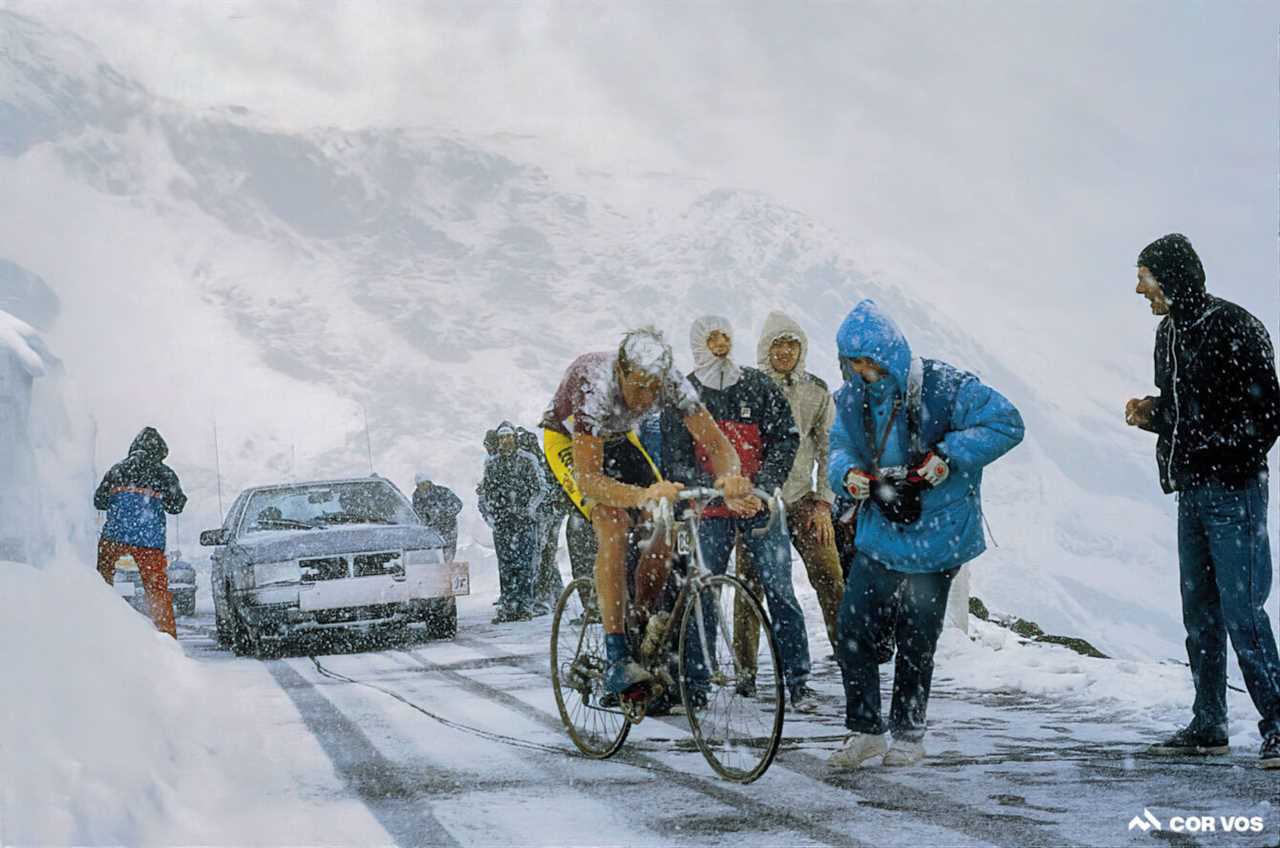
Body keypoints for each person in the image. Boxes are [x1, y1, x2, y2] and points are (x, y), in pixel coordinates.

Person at [827, 300, 1023, 768]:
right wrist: (849, 475)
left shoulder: (944, 386)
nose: (863, 372)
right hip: (881, 530)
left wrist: (947, 455)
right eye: (854, 364)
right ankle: (866, 730)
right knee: (852, 627)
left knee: (918, 639)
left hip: (938, 538)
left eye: (870, 362)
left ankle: (909, 736)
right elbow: (840, 447)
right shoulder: (851, 399)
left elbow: (1007, 422)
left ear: (891, 355)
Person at [1125, 233, 1280, 768]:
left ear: (1172, 278)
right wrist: (1155, 413)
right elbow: (1188, 409)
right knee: (1201, 614)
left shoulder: (1235, 326)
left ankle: (1279, 724)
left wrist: (1223, 457)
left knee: (1243, 612)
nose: (1140, 290)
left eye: (1146, 279)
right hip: (1191, 491)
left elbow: (1267, 414)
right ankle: (1209, 724)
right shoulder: (1167, 334)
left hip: (1233, 491)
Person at [541, 326, 752, 696]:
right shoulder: (595, 386)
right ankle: (617, 652)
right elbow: (590, 479)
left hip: (620, 438)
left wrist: (732, 477)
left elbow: (718, 445)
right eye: (638, 387)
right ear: (620, 371)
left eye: (654, 389)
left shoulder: (669, 382)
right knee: (614, 524)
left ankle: (640, 623)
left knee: (663, 523)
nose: (646, 398)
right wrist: (642, 495)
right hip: (569, 441)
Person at [663, 315, 816, 712]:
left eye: (725, 337)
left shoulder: (756, 385)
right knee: (703, 592)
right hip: (708, 510)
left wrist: (763, 487)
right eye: (712, 338)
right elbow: (675, 460)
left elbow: (786, 437)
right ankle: (696, 683)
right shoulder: (684, 396)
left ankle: (797, 680)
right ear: (698, 343)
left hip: (758, 505)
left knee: (780, 590)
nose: (720, 346)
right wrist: (718, 491)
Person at [746, 311, 846, 655]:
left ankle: (848, 654)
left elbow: (829, 448)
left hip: (804, 499)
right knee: (750, 586)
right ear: (765, 349)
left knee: (830, 576)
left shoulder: (816, 391)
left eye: (792, 344)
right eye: (778, 345)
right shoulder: (748, 389)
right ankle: (746, 670)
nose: (785, 352)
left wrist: (823, 502)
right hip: (759, 501)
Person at [94, 427, 188, 638]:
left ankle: (98, 626)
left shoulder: (117, 470)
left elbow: (98, 500)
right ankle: (166, 638)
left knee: (101, 582)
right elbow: (176, 506)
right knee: (157, 592)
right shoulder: (164, 473)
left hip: (114, 537)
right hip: (149, 541)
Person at [477, 422, 544, 623]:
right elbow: (485, 492)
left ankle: (524, 605)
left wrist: (530, 509)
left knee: (525, 564)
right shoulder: (492, 463)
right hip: (503, 522)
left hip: (524, 521)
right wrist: (491, 516)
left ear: (515, 438)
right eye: (502, 438)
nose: (505, 441)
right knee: (505, 565)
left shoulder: (528, 460)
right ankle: (508, 604)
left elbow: (540, 487)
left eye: (508, 437)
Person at [518, 427, 569, 614]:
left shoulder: (538, 463)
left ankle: (544, 596)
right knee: (547, 556)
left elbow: (553, 488)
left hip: (547, 516)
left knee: (543, 557)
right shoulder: (540, 461)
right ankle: (555, 594)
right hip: (546, 515)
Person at [411, 473, 463, 562]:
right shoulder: (416, 496)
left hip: (448, 528)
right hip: (431, 530)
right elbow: (417, 512)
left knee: (448, 553)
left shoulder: (443, 491)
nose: (422, 487)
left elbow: (458, 504)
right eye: (419, 485)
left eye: (424, 484)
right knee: (434, 554)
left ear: (429, 483)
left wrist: (446, 514)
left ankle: (448, 568)